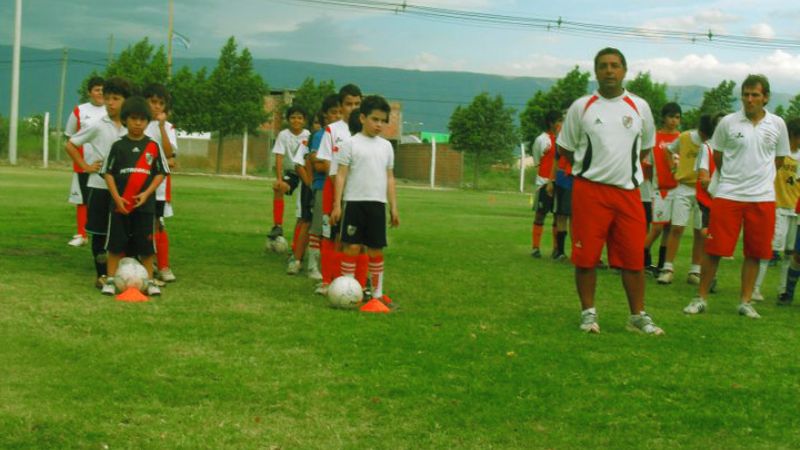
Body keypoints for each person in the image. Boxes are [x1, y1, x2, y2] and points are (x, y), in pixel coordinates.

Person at [557, 47, 662, 335]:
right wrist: (591, 167)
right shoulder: (583, 106)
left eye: (615, 65)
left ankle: (637, 316)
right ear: (596, 72)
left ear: (625, 70)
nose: (609, 71)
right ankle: (588, 314)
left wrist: (621, 168)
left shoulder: (640, 106)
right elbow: (565, 147)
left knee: (633, 258)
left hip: (628, 192)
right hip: (590, 191)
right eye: (603, 66)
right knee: (586, 257)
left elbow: (646, 146)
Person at [683, 74, 790, 319]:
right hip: (728, 194)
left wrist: (758, 177)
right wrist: (733, 177)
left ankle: (745, 301)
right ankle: (700, 298)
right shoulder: (728, 123)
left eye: (755, 95)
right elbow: (718, 156)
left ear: (766, 98)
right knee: (714, 249)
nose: (749, 99)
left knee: (754, 252)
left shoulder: (777, 124)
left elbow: (780, 159)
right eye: (746, 94)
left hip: (762, 197)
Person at [330, 95, 399, 312]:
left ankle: (377, 295)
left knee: (376, 249)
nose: (379, 124)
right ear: (362, 118)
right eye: (374, 119)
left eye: (383, 121)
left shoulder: (387, 147)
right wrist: (337, 204)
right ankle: (349, 291)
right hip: (354, 203)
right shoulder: (350, 144)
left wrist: (393, 207)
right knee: (352, 246)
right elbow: (341, 175)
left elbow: (389, 178)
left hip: (377, 204)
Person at [64, 77, 131, 289]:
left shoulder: (135, 125)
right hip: (99, 186)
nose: (110, 102)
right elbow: (71, 144)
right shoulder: (97, 124)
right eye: (108, 98)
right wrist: (85, 165)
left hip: (126, 188)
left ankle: (126, 271)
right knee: (99, 232)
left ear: (126, 101)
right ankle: (101, 274)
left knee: (125, 231)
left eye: (116, 98)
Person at [100, 96, 168, 296]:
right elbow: (107, 173)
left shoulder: (153, 146)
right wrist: (117, 198)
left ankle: (148, 281)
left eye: (142, 119)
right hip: (120, 204)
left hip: (145, 206)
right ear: (125, 120)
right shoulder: (117, 145)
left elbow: (161, 172)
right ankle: (111, 280)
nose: (138, 123)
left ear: (148, 122)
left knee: (146, 246)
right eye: (133, 119)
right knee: (115, 244)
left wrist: (146, 194)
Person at [313, 84, 363, 295]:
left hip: (358, 192)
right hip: (332, 189)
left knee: (356, 239)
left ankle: (357, 282)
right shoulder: (333, 130)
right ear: (341, 106)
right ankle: (328, 280)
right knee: (330, 235)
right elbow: (324, 163)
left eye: (357, 104)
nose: (353, 108)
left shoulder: (364, 130)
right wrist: (339, 187)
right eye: (348, 104)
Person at [658, 103, 709, 286]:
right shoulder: (686, 137)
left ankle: (695, 271)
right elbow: (668, 150)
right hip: (684, 187)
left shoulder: (712, 142)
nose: (706, 138)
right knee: (677, 228)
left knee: (700, 232)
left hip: (704, 191)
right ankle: (667, 268)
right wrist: (673, 169)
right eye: (704, 134)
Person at [756, 118, 800, 303]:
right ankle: (755, 288)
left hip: (794, 210)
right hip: (777, 206)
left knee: (789, 253)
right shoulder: (777, 154)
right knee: (770, 249)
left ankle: (783, 290)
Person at [64, 76, 106, 247]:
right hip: (83, 165)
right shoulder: (80, 110)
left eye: (103, 90)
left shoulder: (111, 110)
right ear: (90, 92)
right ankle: (82, 234)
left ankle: (102, 233)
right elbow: (70, 135)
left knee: (102, 201)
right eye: (97, 90)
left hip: (103, 165)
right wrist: (82, 163)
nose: (100, 93)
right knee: (82, 200)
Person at [143, 83, 178, 283]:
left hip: (159, 188)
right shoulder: (136, 122)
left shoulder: (168, 127)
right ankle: (143, 262)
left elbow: (169, 154)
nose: (156, 106)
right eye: (153, 102)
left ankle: (163, 266)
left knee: (158, 224)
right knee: (139, 225)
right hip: (137, 184)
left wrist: (163, 127)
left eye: (161, 103)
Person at [644, 103, 681, 277]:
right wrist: (654, 185)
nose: (674, 121)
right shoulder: (655, 138)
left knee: (670, 229)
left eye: (677, 117)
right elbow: (649, 166)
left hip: (678, 189)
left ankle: (661, 264)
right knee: (657, 228)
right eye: (671, 117)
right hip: (660, 189)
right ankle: (642, 258)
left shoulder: (682, 138)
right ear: (664, 117)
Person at [307, 97, 341, 282]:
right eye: (333, 112)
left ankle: (333, 267)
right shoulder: (321, 135)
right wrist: (334, 166)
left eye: (339, 112)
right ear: (325, 115)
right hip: (322, 185)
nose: (337, 116)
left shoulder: (345, 133)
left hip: (340, 185)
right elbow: (316, 163)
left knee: (335, 231)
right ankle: (312, 265)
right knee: (319, 227)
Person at [267, 106, 310, 245]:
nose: (296, 120)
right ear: (288, 120)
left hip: (305, 173)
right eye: (293, 117)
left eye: (299, 118)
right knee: (278, 188)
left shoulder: (309, 135)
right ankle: (278, 226)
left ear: (304, 120)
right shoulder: (283, 135)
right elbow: (279, 156)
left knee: (303, 210)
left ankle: (297, 245)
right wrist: (279, 179)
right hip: (292, 173)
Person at [530, 110, 561, 258]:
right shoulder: (541, 140)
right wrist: (546, 181)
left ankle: (557, 249)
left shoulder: (564, 139)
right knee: (540, 215)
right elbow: (538, 162)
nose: (562, 124)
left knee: (558, 217)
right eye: (559, 121)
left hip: (560, 184)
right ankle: (535, 248)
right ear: (551, 123)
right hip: (543, 183)